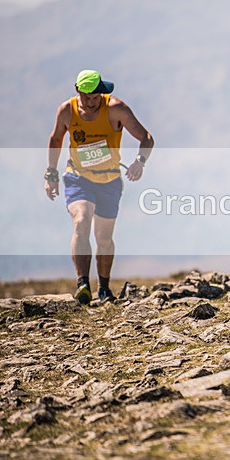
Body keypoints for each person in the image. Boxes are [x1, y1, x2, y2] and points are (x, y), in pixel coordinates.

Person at [45, 70, 154, 305]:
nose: (93, 102)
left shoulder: (116, 109)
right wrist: (51, 173)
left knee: (103, 238)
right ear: (78, 91)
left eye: (97, 97)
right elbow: (55, 140)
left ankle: (104, 288)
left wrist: (140, 162)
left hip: (109, 181)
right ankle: (82, 283)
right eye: (88, 97)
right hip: (78, 178)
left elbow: (146, 137)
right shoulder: (67, 111)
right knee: (81, 220)